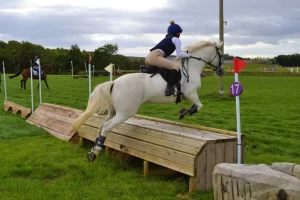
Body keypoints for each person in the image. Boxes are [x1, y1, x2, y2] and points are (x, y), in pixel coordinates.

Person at [146, 20, 191, 96]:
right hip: (155, 57)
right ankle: (169, 89)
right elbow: (179, 54)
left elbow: (175, 57)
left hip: (149, 57)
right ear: (178, 33)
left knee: (173, 63)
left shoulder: (167, 39)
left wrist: (175, 59)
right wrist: (188, 55)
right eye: (179, 33)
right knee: (175, 67)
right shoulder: (176, 39)